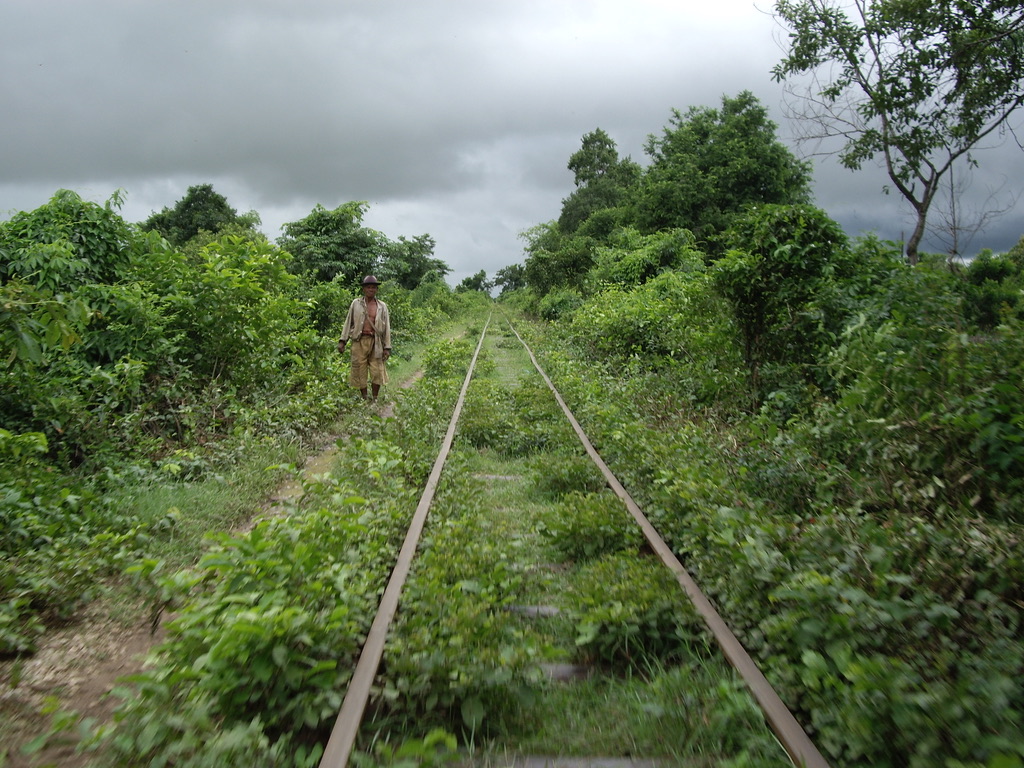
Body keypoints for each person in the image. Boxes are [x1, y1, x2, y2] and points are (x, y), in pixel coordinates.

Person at [337, 275, 392, 402]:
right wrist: (342, 341)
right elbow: (348, 322)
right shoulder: (356, 304)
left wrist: (387, 347)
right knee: (359, 369)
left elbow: (387, 327)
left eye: (374, 287)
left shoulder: (382, 306)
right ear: (364, 289)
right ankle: (364, 398)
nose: (371, 290)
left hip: (376, 343)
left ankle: (375, 399)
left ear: (377, 290)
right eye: (368, 287)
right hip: (359, 341)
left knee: (377, 370)